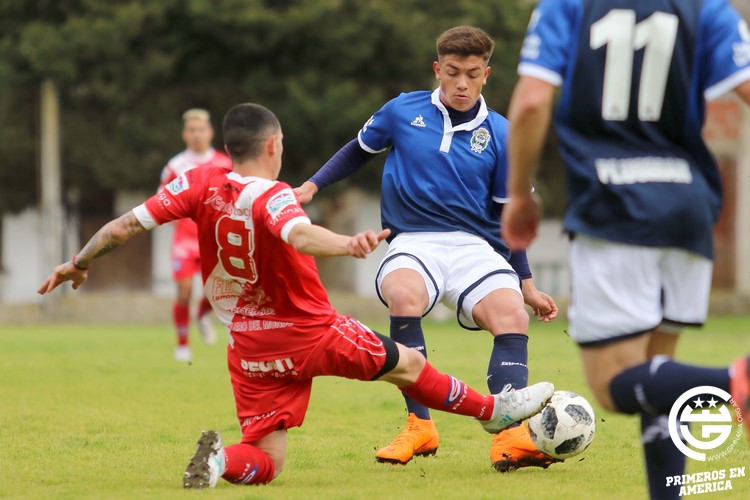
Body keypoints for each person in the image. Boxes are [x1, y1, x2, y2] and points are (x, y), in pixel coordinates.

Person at [38, 103, 555, 489]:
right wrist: (347, 244)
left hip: (249, 347)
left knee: (268, 460)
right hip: (311, 333)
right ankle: (493, 410)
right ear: (273, 145)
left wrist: (78, 263)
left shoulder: (197, 183)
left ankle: (221, 460)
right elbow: (300, 235)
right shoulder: (274, 195)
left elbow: (124, 227)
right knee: (410, 364)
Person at [502, 1, 750, 498]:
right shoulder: (708, 8)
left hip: (614, 208)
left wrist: (518, 191)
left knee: (614, 385)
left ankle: (735, 381)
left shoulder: (569, 5)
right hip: (689, 208)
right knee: (660, 378)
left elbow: (530, 102)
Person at [294, 26, 559, 471]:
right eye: (452, 72)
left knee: (512, 314)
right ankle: (420, 425)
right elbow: (359, 149)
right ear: (437, 69)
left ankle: (510, 436)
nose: (461, 84)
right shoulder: (403, 110)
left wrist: (527, 284)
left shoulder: (502, 133)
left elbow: (508, 215)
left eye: (471, 74)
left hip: (476, 246)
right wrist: (312, 185)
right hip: (413, 240)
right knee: (404, 295)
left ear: (486, 75)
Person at [159, 108, 233, 362]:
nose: (196, 134)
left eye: (201, 129)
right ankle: (182, 346)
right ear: (184, 134)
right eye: (191, 130)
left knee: (217, 293)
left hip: (215, 238)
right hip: (185, 238)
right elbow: (162, 199)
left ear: (210, 132)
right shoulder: (175, 166)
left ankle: (201, 315)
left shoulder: (225, 163)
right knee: (184, 292)